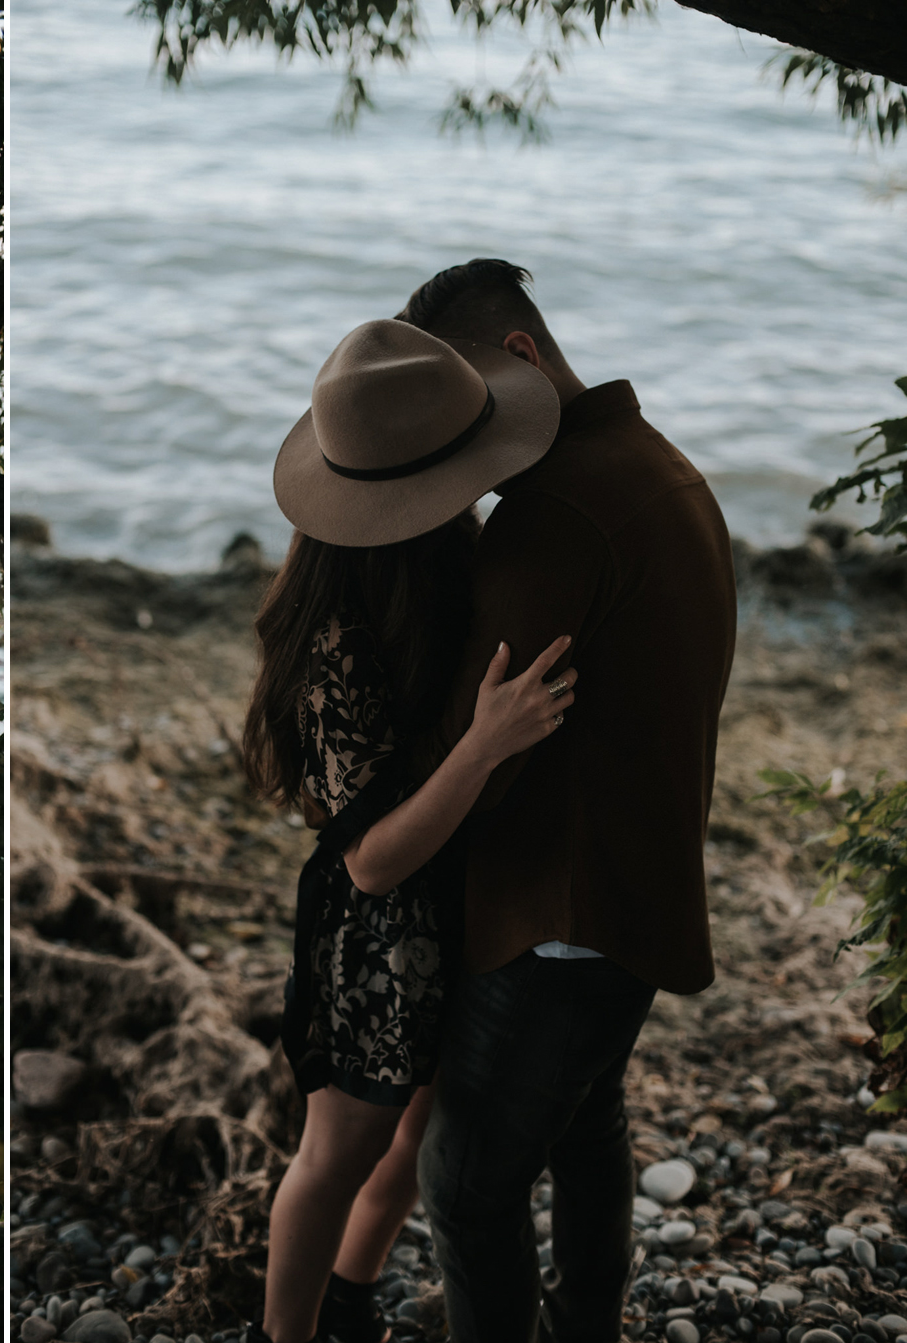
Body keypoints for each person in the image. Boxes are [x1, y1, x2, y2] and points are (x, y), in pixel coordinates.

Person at [397, 260, 737, 1343]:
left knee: (464, 1184)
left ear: (525, 359)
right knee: (588, 1124)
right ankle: (584, 1322)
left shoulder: (553, 519)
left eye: (465, 409)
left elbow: (477, 757)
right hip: (640, 881)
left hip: (562, 915)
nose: (459, 450)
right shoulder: (659, 465)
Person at [244, 317, 579, 1343]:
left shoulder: (444, 567)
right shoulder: (341, 641)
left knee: (412, 1137)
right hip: (376, 936)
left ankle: (349, 1302)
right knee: (338, 1153)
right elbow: (375, 861)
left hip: (452, 906)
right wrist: (484, 744)